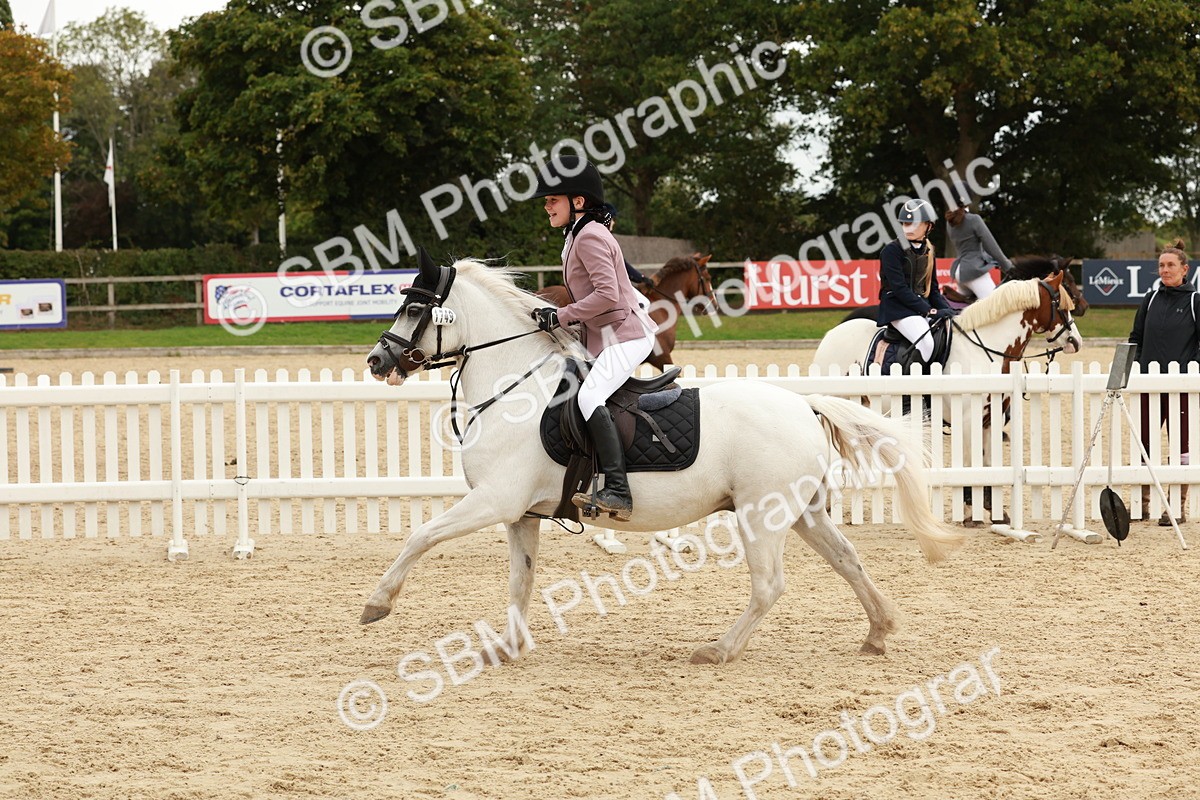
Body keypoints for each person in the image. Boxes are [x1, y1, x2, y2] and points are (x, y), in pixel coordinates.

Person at [529, 156, 657, 520]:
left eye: (553, 199)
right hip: (604, 335)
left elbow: (608, 295)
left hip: (626, 336)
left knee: (588, 396)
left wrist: (562, 315)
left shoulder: (590, 237)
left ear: (578, 202)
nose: (547, 206)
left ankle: (618, 490)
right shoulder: (576, 235)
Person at [1128, 239, 1199, 525]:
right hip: (1148, 385)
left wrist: (1193, 370)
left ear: (1185, 269)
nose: (1165, 270)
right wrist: (1134, 368)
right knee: (1143, 444)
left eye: (1171, 265)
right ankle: (1141, 504)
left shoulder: (1195, 301)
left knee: (1180, 447)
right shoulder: (1151, 299)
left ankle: (1176, 506)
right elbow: (1136, 338)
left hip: (1182, 387)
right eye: (1161, 265)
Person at [876, 198, 954, 365]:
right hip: (897, 308)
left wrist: (946, 309)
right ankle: (909, 388)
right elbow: (899, 289)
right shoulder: (891, 251)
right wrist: (930, 311)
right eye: (905, 224)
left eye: (915, 224)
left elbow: (932, 289)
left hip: (919, 307)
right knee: (926, 343)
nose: (908, 228)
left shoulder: (929, 252)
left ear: (929, 226)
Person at [945, 185, 1013, 301]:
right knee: (996, 305)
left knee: (967, 309)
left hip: (959, 271)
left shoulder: (950, 222)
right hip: (973, 271)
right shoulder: (973, 220)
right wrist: (1008, 266)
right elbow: (991, 247)